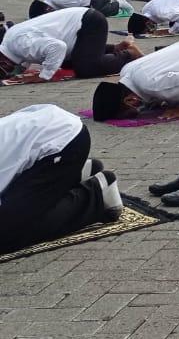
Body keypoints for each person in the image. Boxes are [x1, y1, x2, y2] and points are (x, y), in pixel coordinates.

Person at [0, 105, 122, 255]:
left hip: (64, 143)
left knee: (7, 233)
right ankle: (74, 175)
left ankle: (96, 194)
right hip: (53, 133)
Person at [0, 7, 139, 81]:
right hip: (80, 27)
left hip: (90, 22)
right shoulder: (12, 44)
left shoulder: (21, 45)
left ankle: (128, 54)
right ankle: (116, 48)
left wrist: (43, 76)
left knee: (86, 69)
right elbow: (29, 57)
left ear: (4, 63)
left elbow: (57, 47)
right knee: (64, 63)